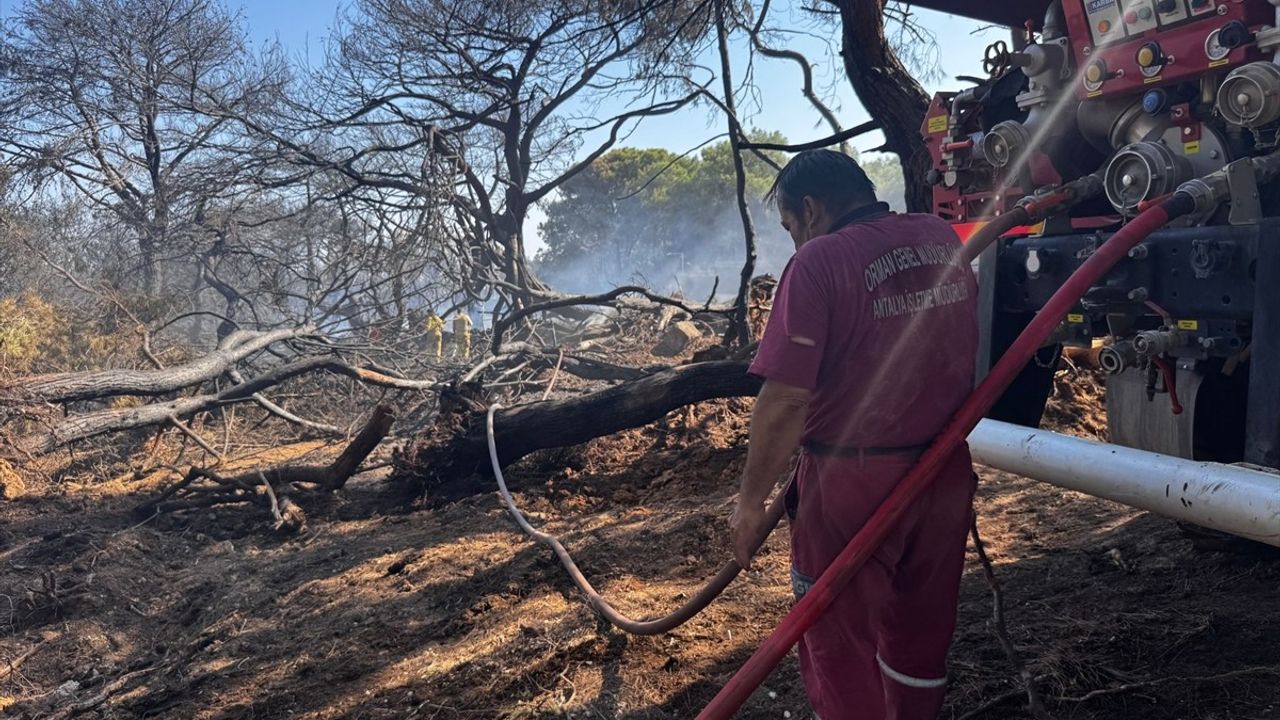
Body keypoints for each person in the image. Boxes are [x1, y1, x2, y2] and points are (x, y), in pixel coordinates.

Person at [728, 150, 979, 720]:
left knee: (836, 640)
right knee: (921, 627)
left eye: (790, 227)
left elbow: (787, 398)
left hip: (850, 482)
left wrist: (749, 502)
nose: (794, 241)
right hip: (943, 470)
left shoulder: (819, 262)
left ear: (811, 210)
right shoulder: (941, 239)